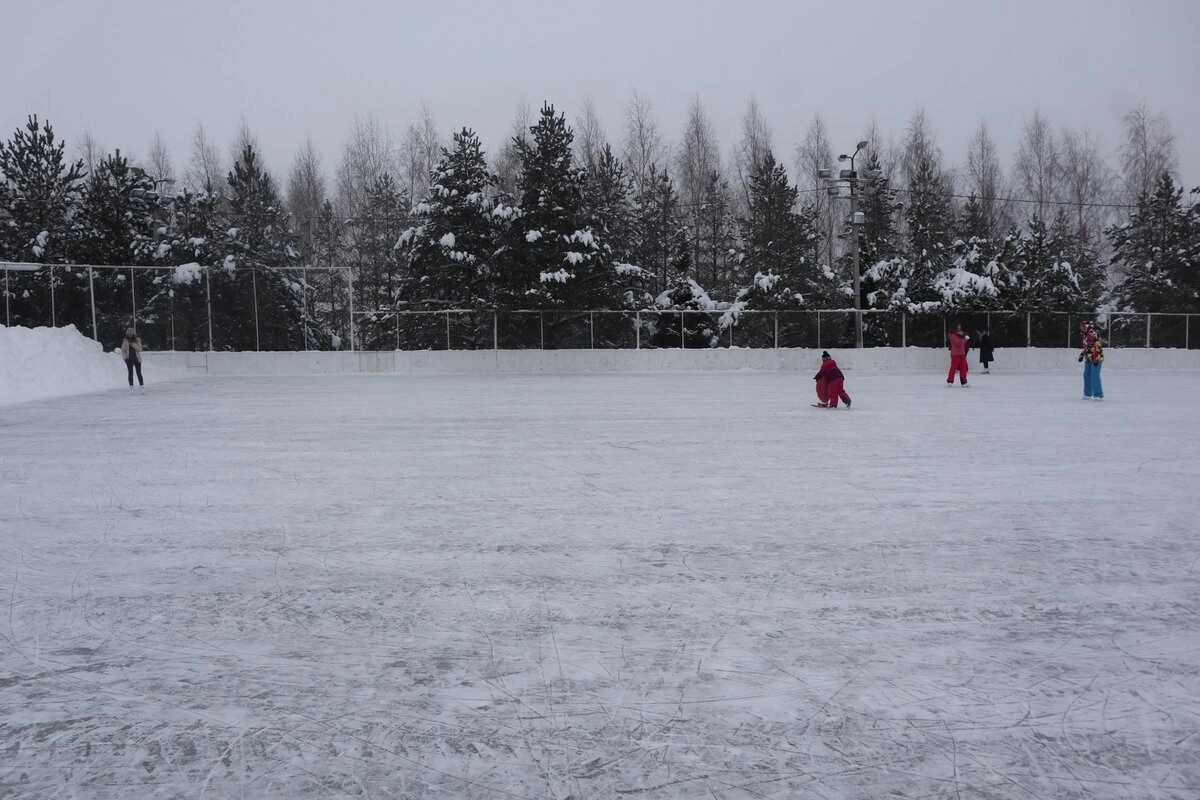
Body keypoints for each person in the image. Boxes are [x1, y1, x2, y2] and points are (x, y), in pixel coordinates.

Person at [1078, 320, 1104, 400]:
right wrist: (1082, 355)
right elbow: (1087, 347)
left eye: (1082, 326)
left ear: (1087, 326)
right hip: (1088, 358)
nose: (1080, 327)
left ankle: (1098, 395)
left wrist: (1096, 358)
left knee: (1094, 375)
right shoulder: (1085, 335)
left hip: (1096, 358)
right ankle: (1087, 394)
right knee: (1086, 375)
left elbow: (1098, 347)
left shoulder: (1093, 334)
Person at [121, 327, 144, 393]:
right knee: (130, 373)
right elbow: (123, 351)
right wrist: (125, 359)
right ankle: (131, 388)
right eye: (129, 334)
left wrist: (133, 344)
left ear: (134, 334)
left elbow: (140, 349)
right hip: (129, 359)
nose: (130, 335)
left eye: (131, 334)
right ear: (127, 334)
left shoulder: (137, 340)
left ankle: (142, 387)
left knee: (139, 373)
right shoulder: (125, 341)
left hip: (137, 359)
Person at [946, 321, 970, 386]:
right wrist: (965, 339)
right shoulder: (952, 334)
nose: (960, 327)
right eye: (958, 326)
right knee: (954, 367)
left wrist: (965, 336)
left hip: (962, 353)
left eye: (960, 326)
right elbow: (959, 343)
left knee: (963, 368)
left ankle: (964, 381)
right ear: (955, 326)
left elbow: (963, 338)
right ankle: (950, 381)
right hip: (955, 353)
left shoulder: (960, 333)